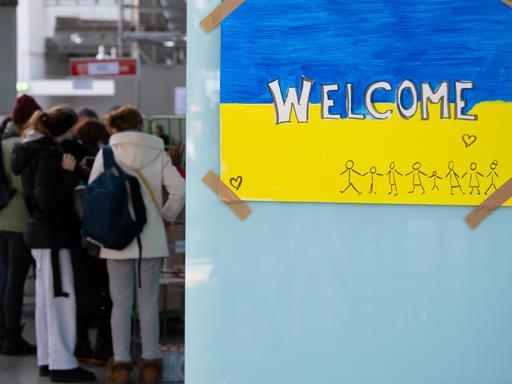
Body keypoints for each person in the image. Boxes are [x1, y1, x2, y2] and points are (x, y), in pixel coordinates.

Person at [89, 106, 185, 384]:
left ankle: (120, 365)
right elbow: (179, 190)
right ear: (141, 124)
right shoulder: (158, 153)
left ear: (114, 127)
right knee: (149, 302)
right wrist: (166, 217)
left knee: (120, 304)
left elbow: (94, 193)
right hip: (150, 239)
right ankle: (151, 364)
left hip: (115, 239)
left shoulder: (106, 154)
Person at [11, 106, 96, 382]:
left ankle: (49, 358)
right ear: (62, 130)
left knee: (47, 299)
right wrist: (69, 173)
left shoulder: (32, 150)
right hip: (54, 234)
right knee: (61, 299)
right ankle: (63, 363)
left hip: (42, 234)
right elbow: (47, 200)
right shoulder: (46, 157)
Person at [0, 95, 41, 355]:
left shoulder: (3, 140)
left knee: (7, 280)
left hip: (2, 218)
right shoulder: (17, 145)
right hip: (18, 220)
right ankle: (12, 338)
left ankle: (5, 334)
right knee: (16, 280)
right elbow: (22, 184)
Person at [72, 119, 113, 365]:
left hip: (77, 236)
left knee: (80, 291)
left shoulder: (70, 160)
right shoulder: (106, 160)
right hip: (101, 235)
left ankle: (80, 343)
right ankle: (103, 347)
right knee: (104, 291)